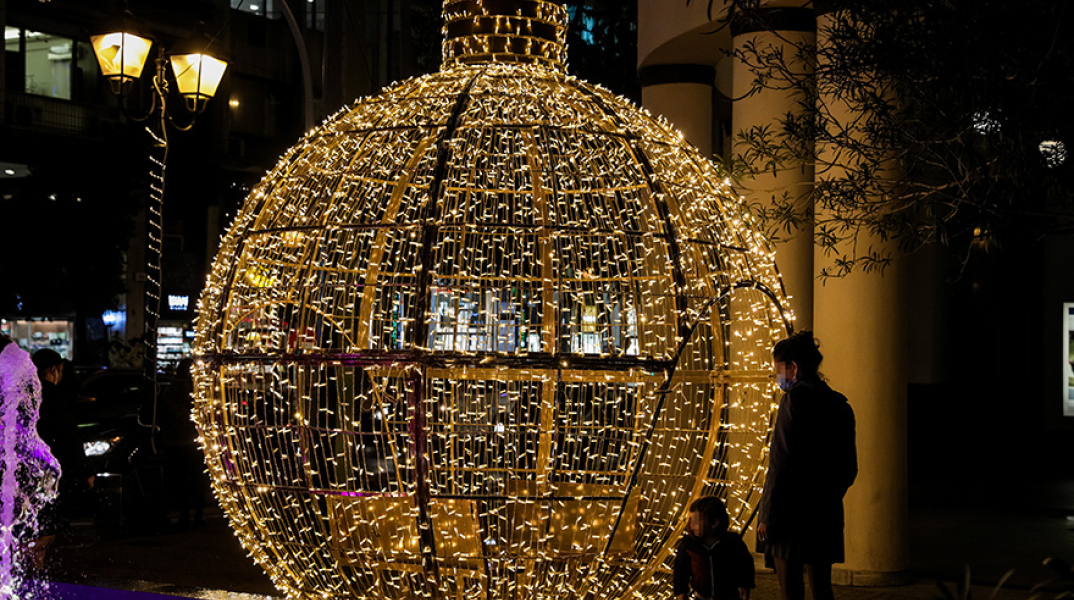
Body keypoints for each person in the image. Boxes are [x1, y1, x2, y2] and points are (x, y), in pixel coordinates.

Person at [756, 330, 857, 600]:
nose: (776, 376)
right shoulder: (839, 404)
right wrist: (827, 494)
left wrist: (767, 514)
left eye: (778, 369)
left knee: (791, 590)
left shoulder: (793, 401)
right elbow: (849, 468)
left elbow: (780, 462)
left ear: (793, 367)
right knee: (822, 588)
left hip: (789, 514)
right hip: (825, 512)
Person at [33, 348, 94, 516]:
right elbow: (69, 436)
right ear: (53, 370)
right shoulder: (55, 396)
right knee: (51, 515)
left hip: (25, 465)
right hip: (51, 464)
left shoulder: (21, 393)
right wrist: (85, 471)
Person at [673, 496, 755, 600]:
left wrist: (745, 585)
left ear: (714, 523)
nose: (691, 525)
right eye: (691, 520)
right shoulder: (689, 544)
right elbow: (681, 569)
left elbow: (745, 564)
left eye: (696, 522)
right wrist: (681, 591)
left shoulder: (732, 542)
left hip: (729, 595)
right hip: (701, 596)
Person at [158, 357, 206, 529]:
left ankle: (185, 515)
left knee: (181, 481)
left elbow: (164, 417)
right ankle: (198, 515)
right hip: (194, 440)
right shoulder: (198, 391)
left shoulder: (170, 391)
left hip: (175, 441)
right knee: (197, 478)